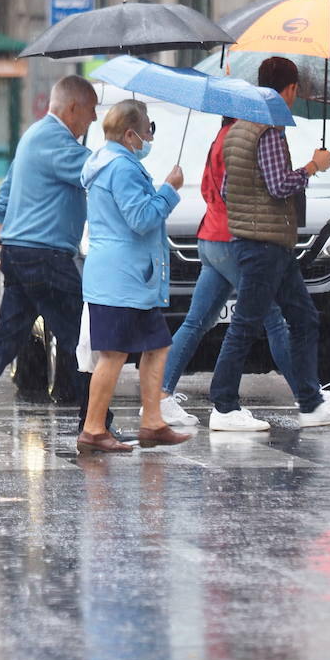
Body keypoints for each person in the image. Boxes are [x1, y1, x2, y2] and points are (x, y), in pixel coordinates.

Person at [0, 76, 103, 449]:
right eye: (90, 113)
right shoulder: (55, 140)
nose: (91, 121)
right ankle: (95, 426)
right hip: (46, 257)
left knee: (6, 340)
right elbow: (97, 170)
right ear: (72, 108)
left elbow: (3, 197)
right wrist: (124, 145)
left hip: (24, 253)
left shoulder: (33, 137)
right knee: (83, 340)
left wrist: (2, 246)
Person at [157, 119, 330, 427]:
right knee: (273, 317)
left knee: (197, 321)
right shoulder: (242, 140)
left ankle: (159, 395)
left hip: (210, 236)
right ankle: (309, 395)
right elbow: (245, 192)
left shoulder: (220, 137)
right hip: (229, 239)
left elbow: (217, 190)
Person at [208, 56, 330, 431]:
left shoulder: (240, 127)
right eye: (296, 90)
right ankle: (224, 406)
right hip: (267, 244)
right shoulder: (270, 128)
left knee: (303, 317)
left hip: (258, 241)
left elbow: (228, 189)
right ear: (289, 89)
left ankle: (311, 401)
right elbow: (279, 186)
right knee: (246, 324)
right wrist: (312, 167)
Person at [77, 99, 191, 454]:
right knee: (113, 354)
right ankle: (94, 429)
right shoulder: (121, 168)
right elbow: (141, 219)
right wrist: (170, 189)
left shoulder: (107, 162)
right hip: (120, 278)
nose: (149, 137)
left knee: (158, 345)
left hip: (127, 278)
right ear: (129, 135)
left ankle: (153, 422)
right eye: (147, 131)